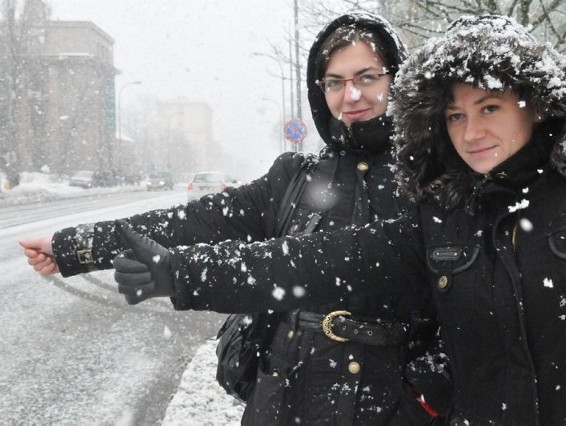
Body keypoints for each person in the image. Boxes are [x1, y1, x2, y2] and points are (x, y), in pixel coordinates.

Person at [111, 14, 566, 424]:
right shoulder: (445, 214)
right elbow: (317, 264)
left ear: (535, 103)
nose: (470, 132)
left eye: (490, 107)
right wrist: (179, 273)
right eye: (455, 115)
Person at [20, 12, 450, 425]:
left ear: (396, 78)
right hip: (287, 393)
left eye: (366, 77)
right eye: (335, 82)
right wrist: (75, 247)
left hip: (392, 402)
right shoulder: (296, 177)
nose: (350, 95)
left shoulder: (434, 175)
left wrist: (427, 386)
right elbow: (194, 222)